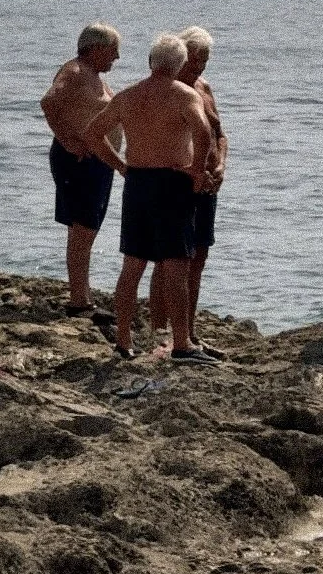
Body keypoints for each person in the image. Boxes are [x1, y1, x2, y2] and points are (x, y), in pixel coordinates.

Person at [84, 33, 213, 364]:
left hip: (139, 183)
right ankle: (182, 343)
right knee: (176, 267)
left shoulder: (128, 96)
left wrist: (123, 167)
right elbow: (203, 132)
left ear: (150, 63)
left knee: (133, 264)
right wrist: (197, 171)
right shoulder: (184, 95)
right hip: (172, 182)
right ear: (180, 64)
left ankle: (124, 340)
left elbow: (92, 134)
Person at [148, 26, 228, 350]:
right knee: (167, 259)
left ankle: (190, 332)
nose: (199, 67)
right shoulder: (168, 91)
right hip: (177, 183)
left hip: (208, 184)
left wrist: (220, 165)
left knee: (198, 257)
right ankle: (158, 332)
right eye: (194, 61)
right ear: (180, 58)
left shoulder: (204, 87)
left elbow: (220, 133)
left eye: (205, 61)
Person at [40, 22, 122, 317]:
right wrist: (68, 140)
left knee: (86, 230)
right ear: (97, 48)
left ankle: (81, 296)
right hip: (79, 161)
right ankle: (79, 302)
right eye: (114, 51)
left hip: (97, 161)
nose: (117, 57)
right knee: (83, 230)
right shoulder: (74, 71)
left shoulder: (93, 75)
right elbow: (49, 102)